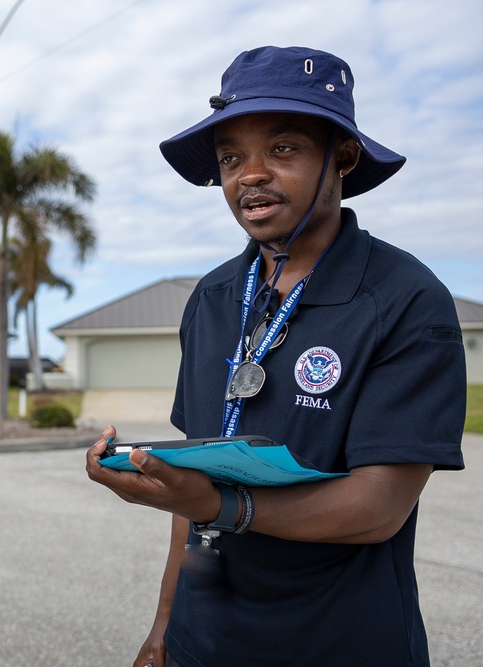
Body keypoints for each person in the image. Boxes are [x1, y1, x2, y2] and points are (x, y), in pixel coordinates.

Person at [86, 46, 466, 667]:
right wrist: (164, 629)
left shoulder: (405, 299)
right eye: (231, 158)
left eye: (282, 149)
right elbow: (194, 490)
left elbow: (379, 508)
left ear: (341, 158)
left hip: (339, 644)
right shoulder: (211, 299)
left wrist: (219, 505)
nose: (250, 174)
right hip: (202, 645)